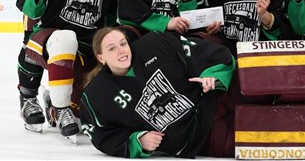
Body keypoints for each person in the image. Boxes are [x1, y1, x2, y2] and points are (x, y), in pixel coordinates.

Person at [17, 0, 119, 142]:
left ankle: (56, 103)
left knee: (88, 111)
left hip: (86, 47)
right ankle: (45, 104)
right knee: (66, 37)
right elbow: (29, 9)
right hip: (49, 40)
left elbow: (110, 15)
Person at [80, 27, 236, 158]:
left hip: (216, 96)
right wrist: (137, 141)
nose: (121, 51)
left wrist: (212, 75)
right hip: (202, 136)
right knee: (256, 140)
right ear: (101, 58)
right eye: (112, 48)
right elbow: (101, 133)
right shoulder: (96, 95)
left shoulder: (155, 44)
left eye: (123, 44)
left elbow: (203, 52)